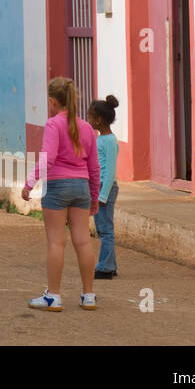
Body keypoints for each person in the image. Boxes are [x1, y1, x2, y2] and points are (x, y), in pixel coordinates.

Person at [22, 76, 101, 312]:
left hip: (57, 187)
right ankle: (88, 295)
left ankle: (53, 296)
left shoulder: (53, 125)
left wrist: (29, 184)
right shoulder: (87, 128)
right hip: (82, 188)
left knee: (57, 242)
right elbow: (94, 168)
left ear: (52, 101)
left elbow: (48, 159)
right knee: (83, 241)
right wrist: (94, 197)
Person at [89, 95, 120, 279]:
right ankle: (110, 264)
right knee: (104, 227)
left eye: (91, 117)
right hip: (99, 187)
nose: (89, 120)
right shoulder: (101, 139)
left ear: (99, 120)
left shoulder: (109, 141)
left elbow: (110, 172)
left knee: (105, 229)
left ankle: (105, 267)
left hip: (105, 188)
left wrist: (102, 195)